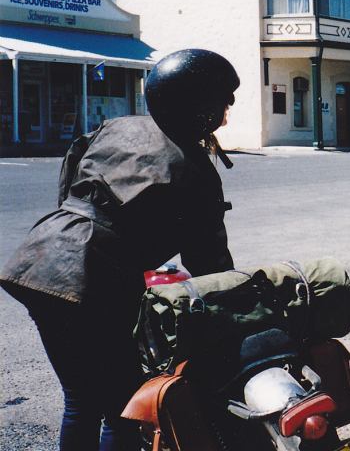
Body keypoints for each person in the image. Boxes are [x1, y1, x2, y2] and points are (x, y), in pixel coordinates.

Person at [0, 49, 240, 450]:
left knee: (81, 397)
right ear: (199, 106)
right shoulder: (195, 168)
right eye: (219, 104)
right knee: (124, 404)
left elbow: (73, 184)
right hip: (93, 276)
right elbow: (208, 264)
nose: (224, 115)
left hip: (37, 258)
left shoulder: (118, 127)